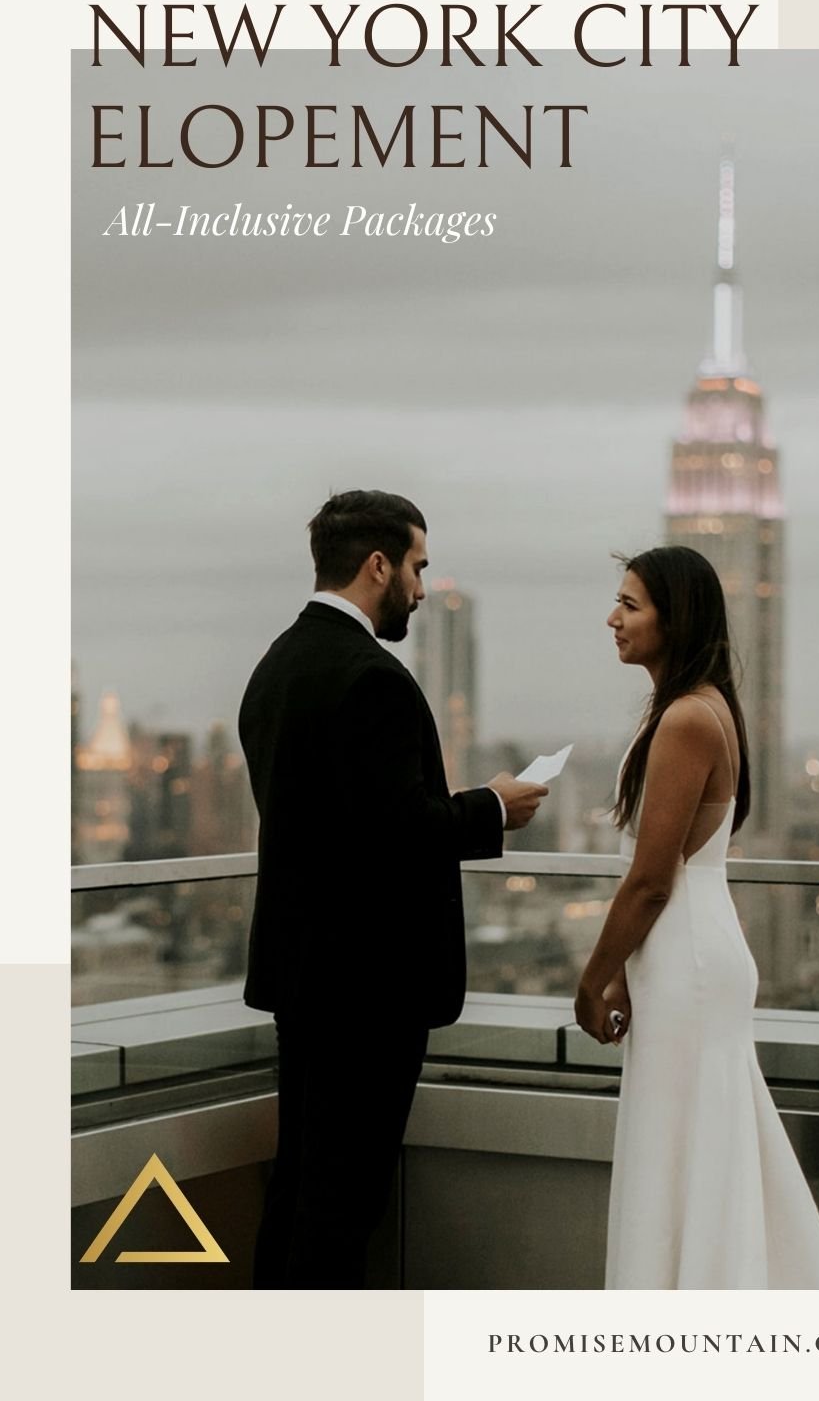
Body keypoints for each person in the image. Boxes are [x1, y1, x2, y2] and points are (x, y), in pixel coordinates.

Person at [239, 489, 547, 1288]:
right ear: (378, 565)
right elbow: (393, 832)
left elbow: (325, 829)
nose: (418, 586)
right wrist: (493, 808)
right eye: (416, 567)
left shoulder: (276, 665)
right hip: (368, 989)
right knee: (343, 1204)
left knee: (301, 1187)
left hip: (303, 978)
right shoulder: (369, 678)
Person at [575, 545, 819, 1289]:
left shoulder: (687, 720)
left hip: (687, 957)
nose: (613, 618)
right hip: (687, 955)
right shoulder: (701, 708)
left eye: (630, 605)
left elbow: (651, 883)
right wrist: (628, 971)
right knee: (700, 1142)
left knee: (680, 1144)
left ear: (677, 616)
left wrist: (593, 977)